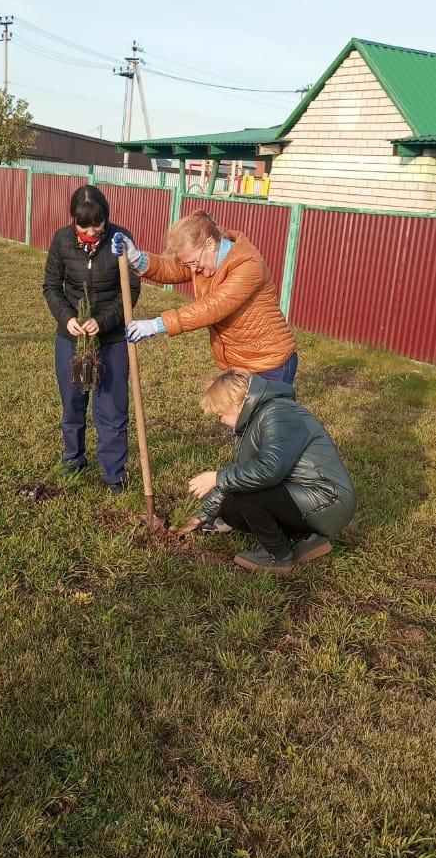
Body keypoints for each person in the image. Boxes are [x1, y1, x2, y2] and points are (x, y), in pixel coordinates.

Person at [174, 369, 356, 574]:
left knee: (247, 493)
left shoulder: (278, 413)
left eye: (220, 414)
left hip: (328, 499)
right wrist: (200, 517)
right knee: (231, 508)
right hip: (304, 494)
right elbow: (240, 474)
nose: (220, 420)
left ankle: (279, 555)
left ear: (236, 404)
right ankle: (305, 539)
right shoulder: (255, 420)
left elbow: (270, 469)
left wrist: (216, 477)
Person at [111, 209, 297, 384]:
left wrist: (156, 325)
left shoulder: (247, 264)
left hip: (270, 361)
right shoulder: (206, 258)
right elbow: (170, 268)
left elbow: (213, 307)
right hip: (239, 361)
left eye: (194, 262)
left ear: (210, 244)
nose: (192, 270)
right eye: (188, 264)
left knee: (266, 418)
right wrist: (136, 258)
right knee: (236, 418)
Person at [43, 185, 140, 493]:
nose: (90, 232)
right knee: (72, 404)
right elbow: (51, 287)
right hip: (71, 338)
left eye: (96, 225)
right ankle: (73, 461)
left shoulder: (119, 240)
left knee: (111, 410)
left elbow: (132, 289)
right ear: (74, 221)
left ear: (106, 219)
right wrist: (67, 318)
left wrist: (103, 321)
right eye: (83, 226)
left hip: (110, 340)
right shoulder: (62, 240)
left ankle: (114, 475)